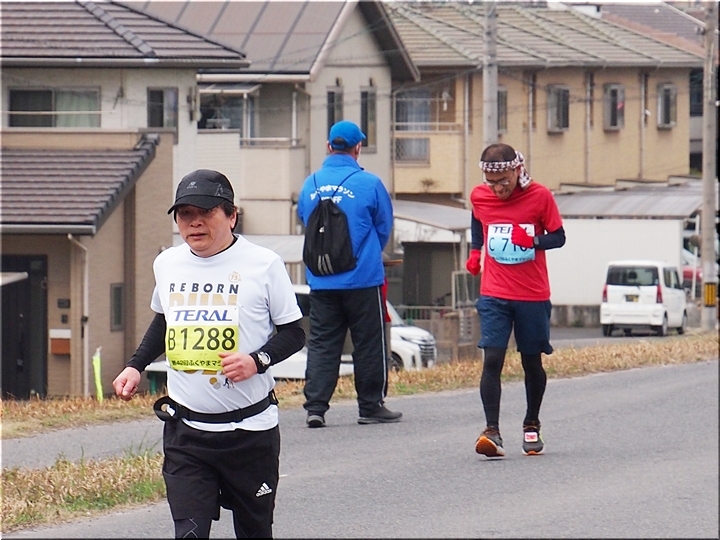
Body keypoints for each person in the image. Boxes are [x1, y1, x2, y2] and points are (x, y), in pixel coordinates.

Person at [112, 169, 305, 539]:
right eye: (185, 214)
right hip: (187, 433)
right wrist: (136, 366)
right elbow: (165, 321)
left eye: (206, 212)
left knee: (254, 532)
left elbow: (294, 333)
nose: (194, 222)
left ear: (231, 215)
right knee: (189, 532)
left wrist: (256, 361)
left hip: (250, 432)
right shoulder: (167, 263)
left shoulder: (263, 264)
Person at [297, 120, 400, 428]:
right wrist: (366, 252)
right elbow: (383, 227)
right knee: (368, 343)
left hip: (321, 279)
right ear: (358, 148)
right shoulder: (369, 183)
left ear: (329, 146)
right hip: (363, 278)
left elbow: (305, 219)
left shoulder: (310, 184)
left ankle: (316, 407)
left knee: (322, 343)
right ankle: (370, 406)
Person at [465, 143, 565, 458]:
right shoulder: (480, 196)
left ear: (516, 170)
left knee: (531, 361)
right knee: (492, 358)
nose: (498, 189)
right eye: (492, 182)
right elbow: (478, 221)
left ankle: (531, 423)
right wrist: (476, 251)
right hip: (494, 292)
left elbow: (559, 237)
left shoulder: (540, 196)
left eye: (503, 181)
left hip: (532, 294)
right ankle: (492, 431)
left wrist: (532, 240)